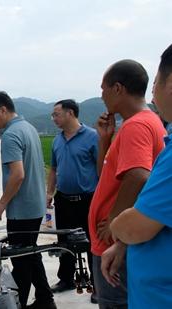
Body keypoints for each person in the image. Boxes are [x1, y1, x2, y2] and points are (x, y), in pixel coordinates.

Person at [87, 59, 166, 309]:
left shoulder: (137, 126)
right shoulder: (138, 124)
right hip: (113, 240)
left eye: (104, 89)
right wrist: (104, 140)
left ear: (118, 88)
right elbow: (107, 176)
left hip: (114, 242)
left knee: (115, 302)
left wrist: (113, 220)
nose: (102, 96)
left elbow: (139, 176)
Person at [0, 91, 55, 309]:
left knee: (20, 260)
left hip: (22, 209)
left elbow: (18, 174)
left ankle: (18, 304)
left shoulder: (11, 135)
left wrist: (2, 202)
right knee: (30, 254)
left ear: (3, 110)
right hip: (35, 204)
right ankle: (45, 299)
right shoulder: (29, 128)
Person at [46, 99, 99, 294]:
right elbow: (53, 169)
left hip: (88, 199)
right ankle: (66, 279)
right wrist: (49, 192)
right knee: (65, 242)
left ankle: (97, 285)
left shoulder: (92, 137)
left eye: (56, 114)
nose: (54, 118)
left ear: (70, 113)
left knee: (93, 242)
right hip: (63, 199)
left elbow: (101, 168)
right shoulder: (57, 140)